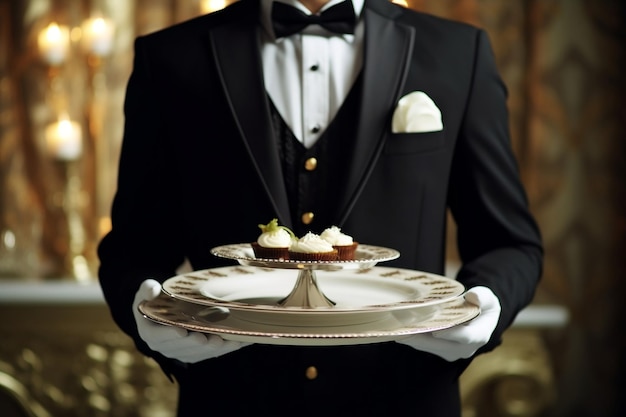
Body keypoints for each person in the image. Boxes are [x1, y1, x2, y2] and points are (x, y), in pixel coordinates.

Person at [97, 0, 543, 415]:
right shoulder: (173, 57)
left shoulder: (456, 52)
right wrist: (147, 315)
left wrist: (482, 307)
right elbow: (132, 251)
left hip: (405, 398)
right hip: (230, 399)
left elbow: (508, 243)